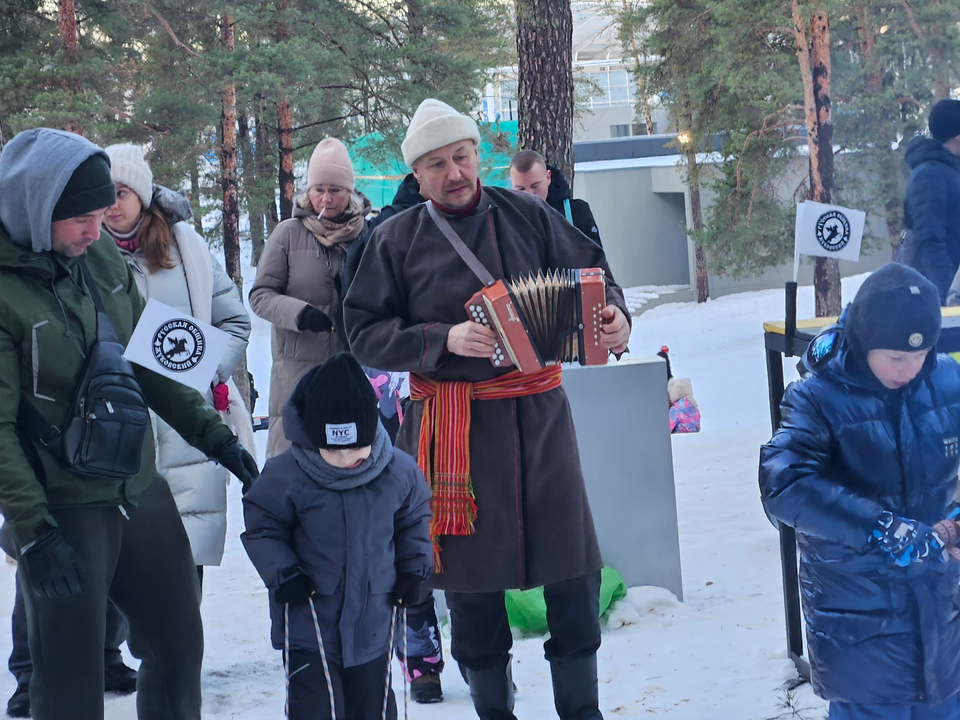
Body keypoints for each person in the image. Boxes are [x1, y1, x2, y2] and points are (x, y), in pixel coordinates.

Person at [344, 98, 631, 720]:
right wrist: (439, 340)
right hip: (455, 430)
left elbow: (593, 271)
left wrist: (614, 316)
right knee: (472, 590)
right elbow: (363, 332)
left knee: (574, 574)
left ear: (479, 156)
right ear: (416, 176)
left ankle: (582, 712)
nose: (454, 173)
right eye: (437, 164)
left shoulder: (528, 213)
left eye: (462, 157)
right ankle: (494, 713)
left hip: (541, 421)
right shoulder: (394, 238)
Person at [0, 127, 259, 720]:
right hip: (63, 506)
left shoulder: (96, 260)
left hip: (138, 484)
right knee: (70, 677)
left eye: (101, 214)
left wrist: (217, 437)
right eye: (82, 219)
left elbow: (152, 358)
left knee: (177, 642)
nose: (98, 231)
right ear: (38, 212)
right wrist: (35, 535)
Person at [760, 263, 960, 720]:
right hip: (860, 624)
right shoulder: (817, 396)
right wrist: (880, 527)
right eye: (895, 358)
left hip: (941, 619)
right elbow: (783, 481)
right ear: (864, 341)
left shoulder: (947, 380)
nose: (910, 369)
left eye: (921, 354)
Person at [241, 352, 431, 720]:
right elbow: (263, 526)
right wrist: (284, 573)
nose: (346, 459)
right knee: (315, 709)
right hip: (308, 622)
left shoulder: (398, 472)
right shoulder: (287, 475)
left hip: (373, 621)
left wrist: (412, 571)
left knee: (371, 708)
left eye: (356, 447)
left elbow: (413, 522)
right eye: (333, 448)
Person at [102, 143, 255, 579]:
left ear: (143, 194)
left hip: (188, 430)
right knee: (113, 574)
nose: (112, 204)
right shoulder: (83, 253)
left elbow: (234, 322)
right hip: (115, 427)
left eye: (122, 191)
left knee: (182, 578)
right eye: (104, 193)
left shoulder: (186, 248)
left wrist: (203, 369)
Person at [250, 138, 372, 459]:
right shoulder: (288, 234)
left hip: (352, 370)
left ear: (350, 191)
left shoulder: (367, 235)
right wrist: (299, 313)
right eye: (319, 189)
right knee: (296, 458)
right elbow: (260, 295)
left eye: (335, 190)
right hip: (297, 370)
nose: (326, 198)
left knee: (347, 458)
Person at [901, 98, 960, 302]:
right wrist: (949, 298)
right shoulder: (929, 175)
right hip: (937, 297)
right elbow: (930, 242)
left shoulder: (951, 171)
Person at [509, 149, 602, 247]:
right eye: (520, 189)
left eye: (535, 186)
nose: (530, 195)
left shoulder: (577, 212)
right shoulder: (504, 219)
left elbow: (595, 258)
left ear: (548, 177)